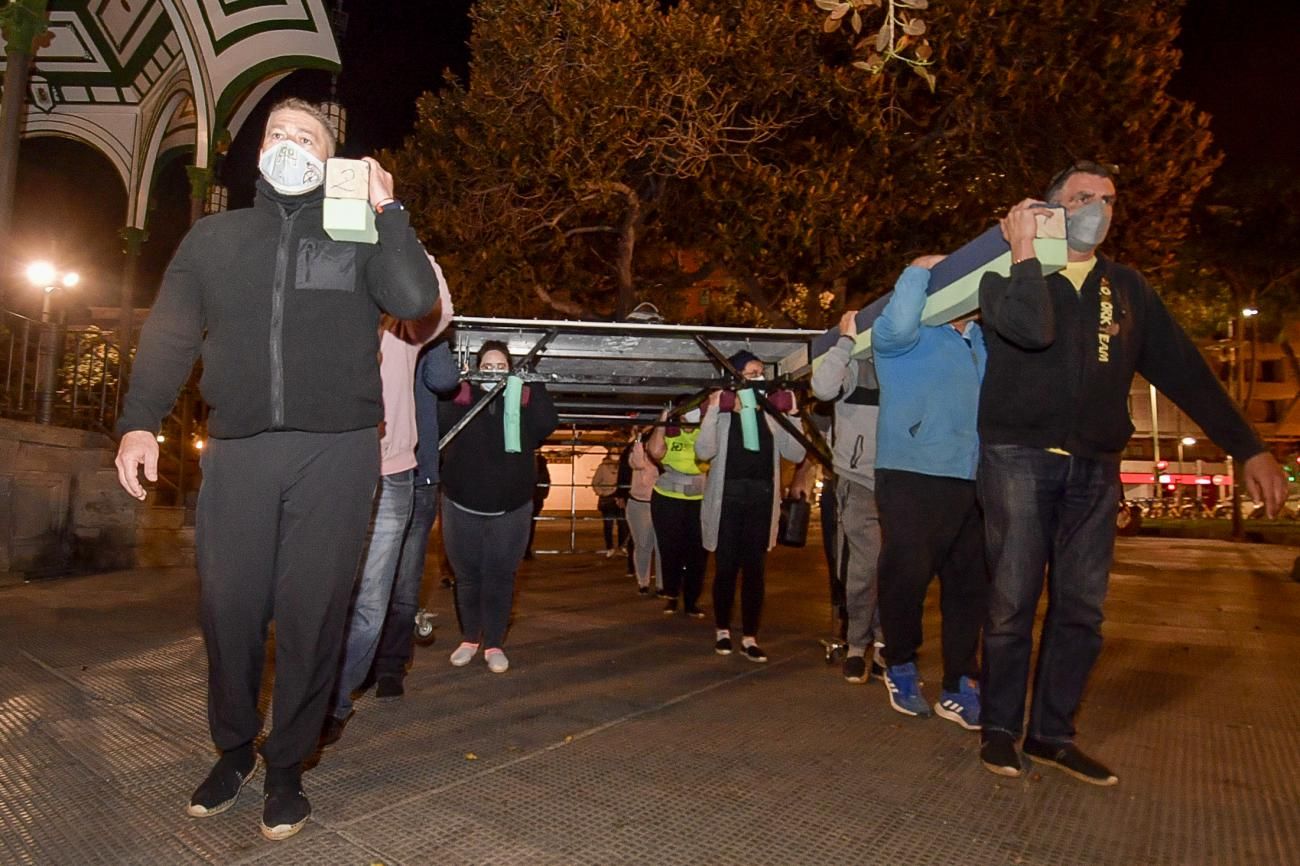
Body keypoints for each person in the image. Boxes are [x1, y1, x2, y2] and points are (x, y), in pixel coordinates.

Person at [113, 97, 440, 839]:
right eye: (279, 135)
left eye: (308, 138)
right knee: (227, 609)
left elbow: (416, 301)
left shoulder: (356, 231)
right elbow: (168, 335)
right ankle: (234, 749)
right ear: (260, 152)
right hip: (239, 450)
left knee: (312, 613)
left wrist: (389, 211)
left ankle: (288, 767)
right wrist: (139, 421)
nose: (290, 145)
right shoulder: (214, 237)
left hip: (338, 451)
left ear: (333, 161)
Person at [976, 161, 1288, 785]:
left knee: (1083, 609)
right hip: (1019, 457)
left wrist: (1247, 447)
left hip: (1095, 465)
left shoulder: (1129, 290)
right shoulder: (1004, 277)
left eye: (1110, 200)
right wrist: (1026, 253)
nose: (1099, 209)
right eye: (1083, 197)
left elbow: (1186, 372)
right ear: (1050, 207)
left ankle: (1051, 735)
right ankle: (1001, 730)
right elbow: (1033, 331)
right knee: (1012, 603)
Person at [321, 292, 458, 748]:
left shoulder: (404, 331)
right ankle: (312, 698)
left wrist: (401, 227)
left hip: (398, 473)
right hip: (331, 470)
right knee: (321, 598)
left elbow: (439, 309)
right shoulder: (329, 318)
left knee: (375, 601)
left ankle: (337, 701)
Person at [870, 257, 988, 730]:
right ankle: (898, 662)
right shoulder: (904, 336)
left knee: (969, 587)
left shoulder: (982, 341)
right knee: (907, 575)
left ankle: (960, 685)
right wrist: (920, 268)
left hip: (972, 475)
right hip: (911, 471)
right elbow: (897, 320)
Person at [439, 341, 558, 673]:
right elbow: (439, 423)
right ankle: (468, 639)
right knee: (467, 576)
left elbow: (546, 425)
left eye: (500, 366)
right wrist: (455, 391)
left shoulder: (520, 397)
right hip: (460, 502)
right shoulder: (464, 396)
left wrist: (534, 385)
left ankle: (494, 643)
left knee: (501, 576)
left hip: (511, 505)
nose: (493, 372)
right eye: (486, 367)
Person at [695, 351, 806, 662]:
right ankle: (722, 631)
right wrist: (715, 411)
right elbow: (703, 451)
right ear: (738, 376)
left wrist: (794, 414)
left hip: (760, 501)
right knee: (727, 568)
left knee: (755, 572)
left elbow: (796, 454)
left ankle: (750, 637)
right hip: (728, 499)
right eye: (753, 372)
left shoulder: (770, 412)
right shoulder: (727, 411)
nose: (759, 377)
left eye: (761, 372)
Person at [810, 310, 886, 684]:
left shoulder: (903, 358)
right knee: (864, 569)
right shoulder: (853, 363)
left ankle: (886, 646)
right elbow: (822, 389)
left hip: (901, 480)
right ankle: (857, 646)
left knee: (897, 569)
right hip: (858, 480)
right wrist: (846, 341)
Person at [647, 402, 709, 618]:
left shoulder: (704, 431)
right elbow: (654, 451)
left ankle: (692, 600)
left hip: (699, 499)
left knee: (698, 553)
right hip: (668, 498)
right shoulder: (671, 432)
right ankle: (671, 595)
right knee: (670, 550)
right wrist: (664, 419)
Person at [625, 430, 662, 595]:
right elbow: (637, 463)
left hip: (661, 503)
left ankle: (662, 584)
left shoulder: (663, 455)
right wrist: (638, 440)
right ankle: (643, 582)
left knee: (662, 547)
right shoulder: (638, 454)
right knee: (643, 545)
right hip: (639, 504)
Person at [592, 448, 627, 556]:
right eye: (613, 451)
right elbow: (595, 482)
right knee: (608, 524)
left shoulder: (624, 466)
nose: (615, 453)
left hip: (620, 498)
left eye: (617, 451)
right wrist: (602, 492)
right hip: (607, 499)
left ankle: (622, 546)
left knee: (623, 524)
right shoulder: (603, 466)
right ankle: (610, 547)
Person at [525, 452, 551, 559]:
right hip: (536, 501)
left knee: (526, 526)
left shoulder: (531, 470)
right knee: (531, 526)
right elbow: (546, 486)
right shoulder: (543, 472)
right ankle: (527, 550)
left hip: (528, 501)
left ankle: (524, 549)